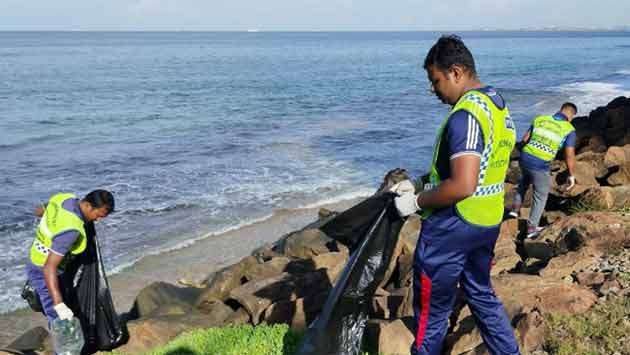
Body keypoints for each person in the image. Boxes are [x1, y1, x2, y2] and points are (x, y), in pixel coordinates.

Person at [394, 35, 520, 355]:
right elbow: (483, 165)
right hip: (488, 218)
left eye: (435, 81)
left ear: (456, 72)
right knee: (481, 295)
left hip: (454, 225)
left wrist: (416, 202)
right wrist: (422, 183)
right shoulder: (496, 103)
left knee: (431, 312)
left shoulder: (466, 116)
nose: (434, 90)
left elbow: (463, 184)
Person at [27, 190, 114, 325]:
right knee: (57, 316)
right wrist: (58, 303)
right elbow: (49, 267)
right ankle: (63, 345)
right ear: (89, 206)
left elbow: (40, 211)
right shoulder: (71, 230)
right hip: (44, 268)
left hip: (34, 256)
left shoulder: (64, 198)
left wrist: (52, 225)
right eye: (98, 215)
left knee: (57, 302)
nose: (97, 220)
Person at [510, 103, 577, 238]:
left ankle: (515, 210)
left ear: (560, 110)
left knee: (525, 180)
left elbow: (524, 139)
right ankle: (532, 228)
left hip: (525, 157)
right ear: (571, 116)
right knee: (540, 195)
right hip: (540, 164)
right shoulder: (569, 129)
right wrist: (571, 175)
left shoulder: (540, 119)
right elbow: (569, 154)